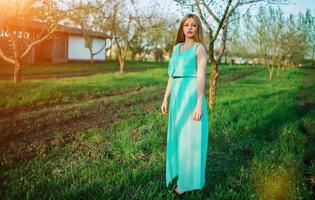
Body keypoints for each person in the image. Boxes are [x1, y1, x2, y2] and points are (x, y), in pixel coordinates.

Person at [161, 13, 209, 197]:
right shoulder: (176, 48)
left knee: (191, 140)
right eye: (186, 24)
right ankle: (177, 171)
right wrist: (165, 98)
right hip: (176, 99)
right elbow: (171, 76)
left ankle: (187, 183)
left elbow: (201, 76)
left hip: (191, 97)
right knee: (178, 136)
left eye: (194, 25)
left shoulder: (200, 49)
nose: (190, 28)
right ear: (182, 28)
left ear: (198, 28)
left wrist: (199, 103)